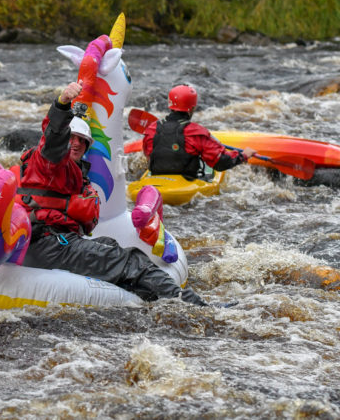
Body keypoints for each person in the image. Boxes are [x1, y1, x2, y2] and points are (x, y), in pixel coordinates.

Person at [17, 82, 208, 306]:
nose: (77, 144)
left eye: (82, 141)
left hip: (57, 241)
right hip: (47, 243)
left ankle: (156, 301)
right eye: (72, 138)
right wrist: (62, 104)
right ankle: (196, 307)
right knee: (130, 260)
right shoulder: (49, 162)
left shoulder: (76, 175)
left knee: (112, 245)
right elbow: (53, 136)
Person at [143, 84, 256, 179]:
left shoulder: (151, 130)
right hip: (186, 184)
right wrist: (243, 156)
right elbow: (220, 163)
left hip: (157, 182)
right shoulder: (197, 132)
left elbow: (148, 155)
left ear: (170, 105)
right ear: (192, 108)